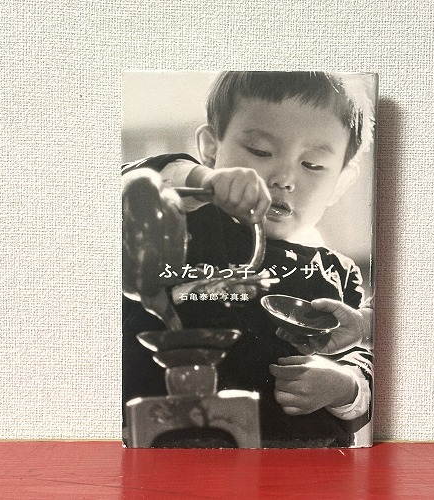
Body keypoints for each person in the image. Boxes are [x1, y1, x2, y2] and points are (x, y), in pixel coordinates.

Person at [122, 71, 374, 447]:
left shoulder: (340, 272)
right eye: (259, 151)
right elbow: (135, 183)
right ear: (211, 149)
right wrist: (202, 180)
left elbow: (365, 359)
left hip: (302, 464)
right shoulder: (187, 227)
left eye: (312, 165)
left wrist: (344, 385)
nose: (283, 178)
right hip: (177, 455)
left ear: (341, 181)